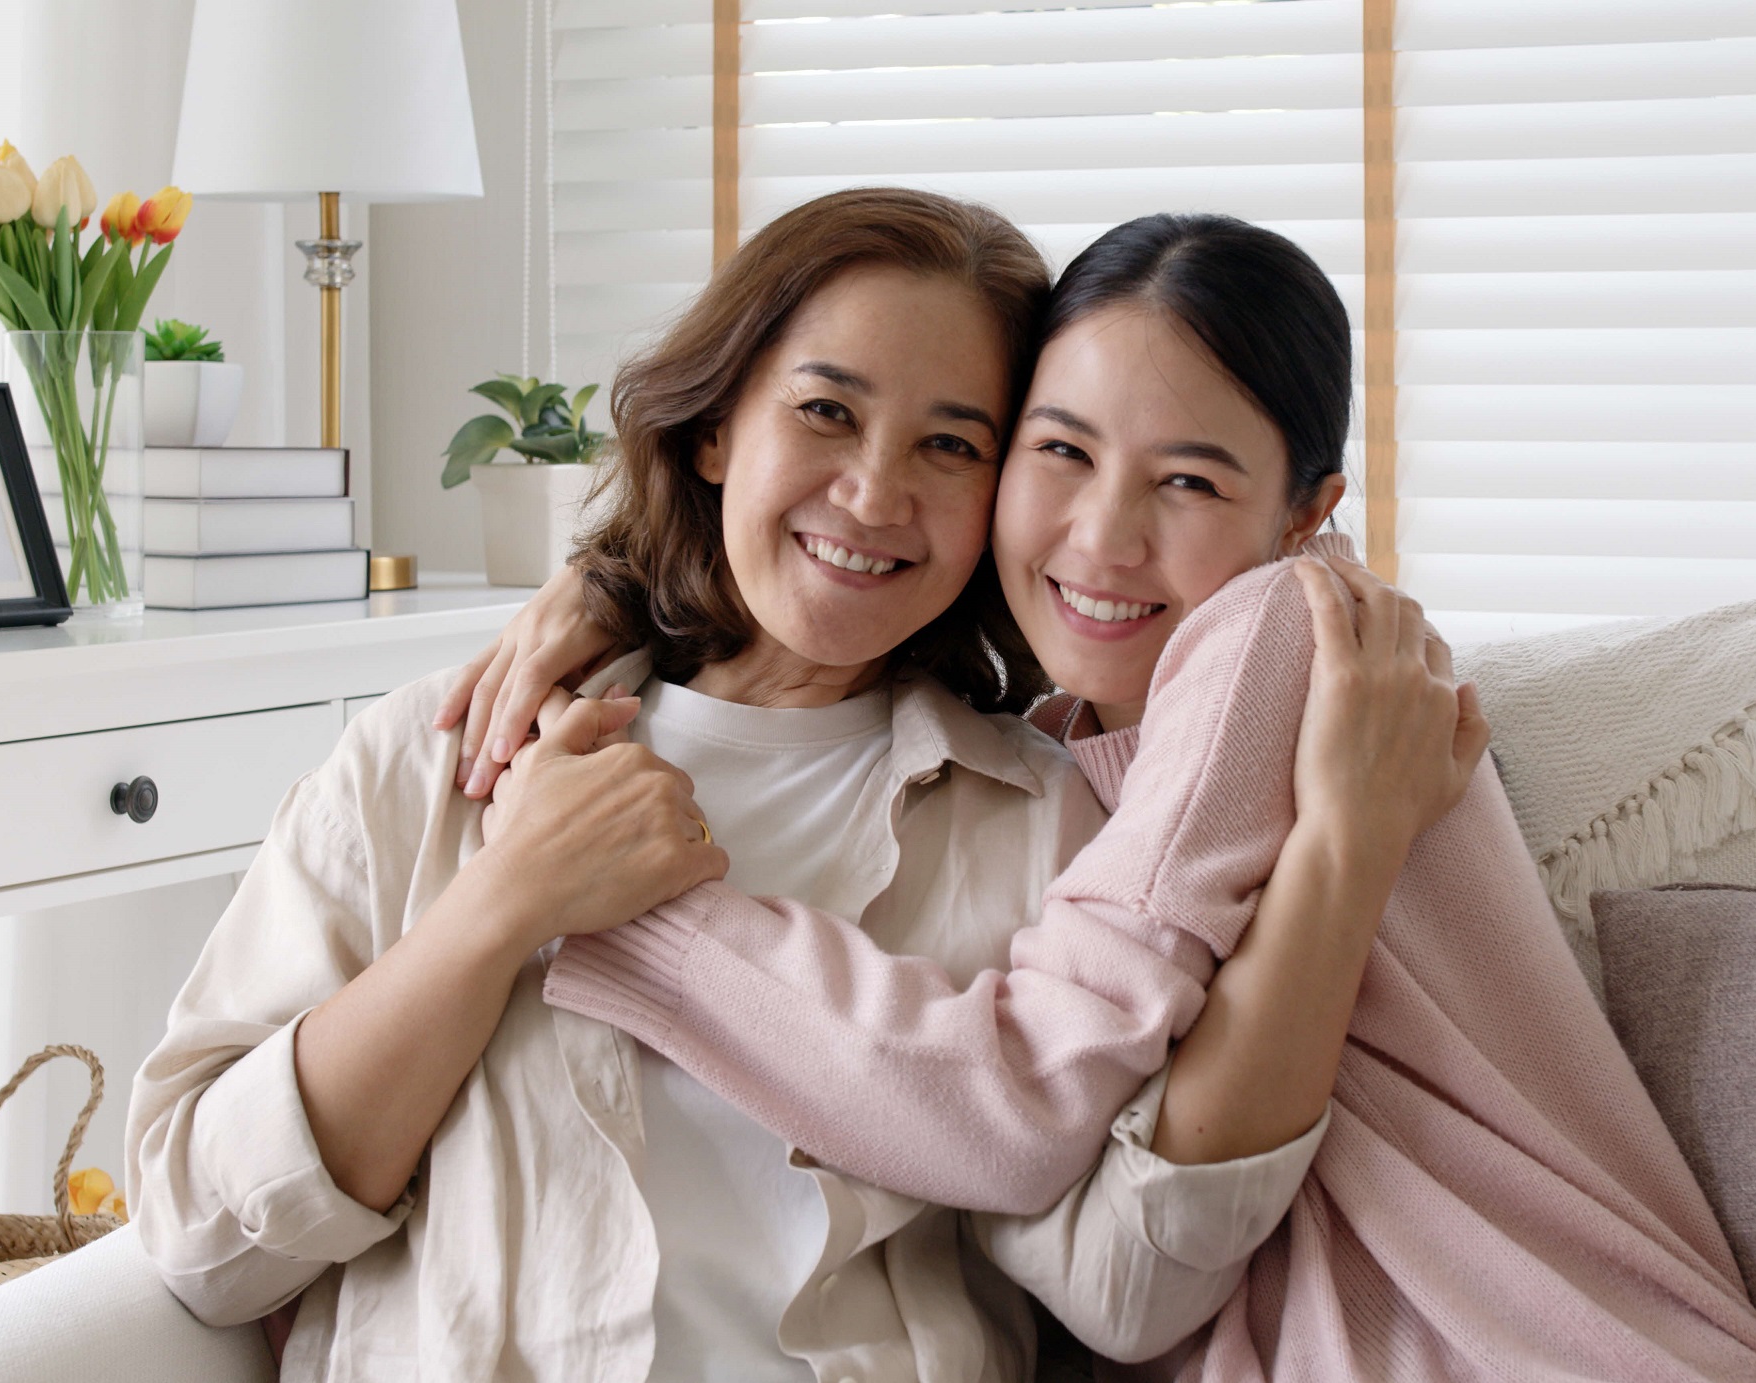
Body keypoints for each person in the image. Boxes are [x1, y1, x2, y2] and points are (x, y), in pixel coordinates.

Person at [444, 213, 1756, 1380]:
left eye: (1189, 479)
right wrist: (611, 580)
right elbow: (1080, 1245)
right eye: (1059, 450)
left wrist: (610, 905)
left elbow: (1013, 1100)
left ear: (1304, 510)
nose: (1100, 535)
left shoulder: (1280, 634)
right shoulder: (1052, 739)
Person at [126, 189, 1333, 1383]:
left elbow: (1122, 1284)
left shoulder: (1040, 820)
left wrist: (1341, 849)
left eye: (951, 445)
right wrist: (499, 909)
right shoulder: (434, 761)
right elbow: (202, 1238)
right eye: (824, 411)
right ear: (716, 430)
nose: (871, 493)